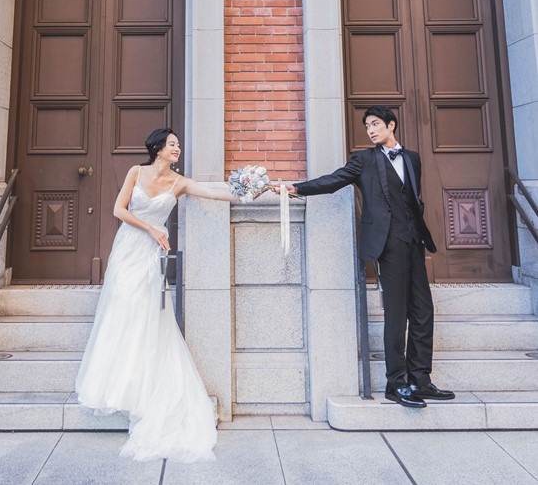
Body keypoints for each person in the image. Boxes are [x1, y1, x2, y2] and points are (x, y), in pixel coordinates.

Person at [76, 128, 239, 462]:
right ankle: (120, 381)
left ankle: (145, 383)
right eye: (171, 144)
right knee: (123, 307)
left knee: (148, 311)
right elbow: (118, 210)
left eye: (178, 144)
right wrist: (152, 228)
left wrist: (250, 190)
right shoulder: (136, 172)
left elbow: (211, 192)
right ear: (157, 148)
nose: (177, 148)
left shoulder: (179, 183)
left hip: (152, 258)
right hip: (129, 250)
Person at [278, 106, 455, 408]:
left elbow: (412, 200)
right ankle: (396, 384)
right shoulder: (364, 160)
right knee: (396, 314)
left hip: (413, 242)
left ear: (391, 125)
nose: (371, 130)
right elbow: (334, 180)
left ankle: (420, 380)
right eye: (367, 126)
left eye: (375, 124)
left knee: (423, 311)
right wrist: (298, 188)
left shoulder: (411, 158)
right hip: (388, 245)